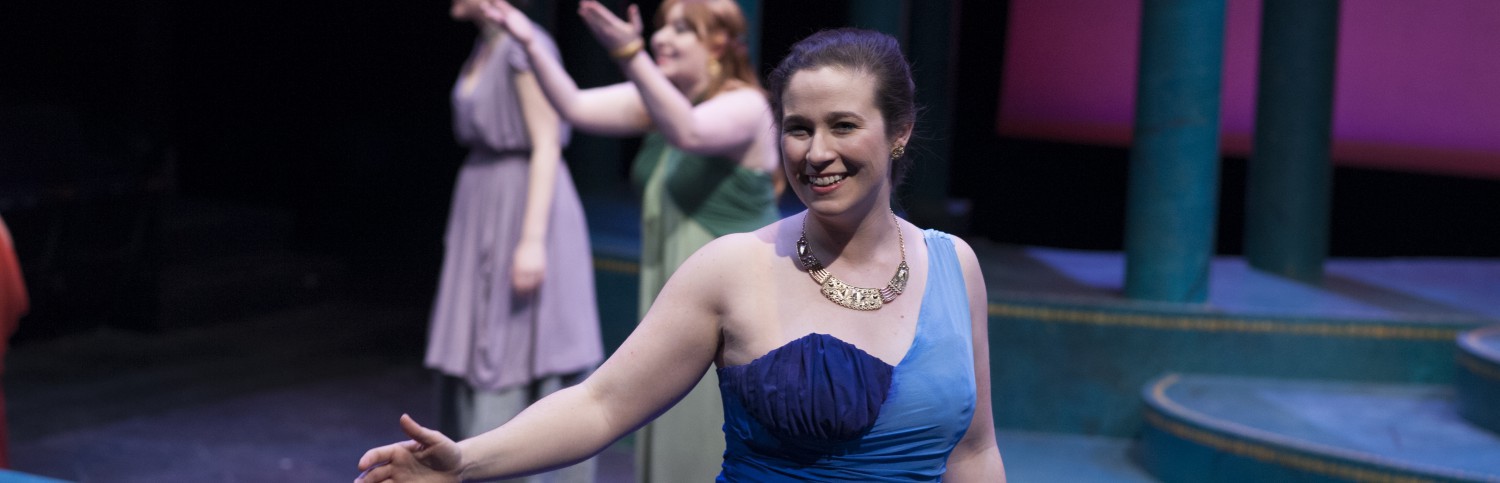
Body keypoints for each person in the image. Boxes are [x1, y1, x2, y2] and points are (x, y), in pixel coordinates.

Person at [356, 28, 1006, 482]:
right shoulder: (733, 268)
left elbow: (973, 452)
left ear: (899, 132)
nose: (816, 153)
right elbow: (602, 403)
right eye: (797, 128)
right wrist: (465, 461)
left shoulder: (955, 267)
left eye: (842, 125)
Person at [478, 1, 781, 481]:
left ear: (718, 43)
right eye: (660, 29)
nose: (661, 39)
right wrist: (531, 42)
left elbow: (689, 131)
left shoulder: (746, 106)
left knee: (709, 431)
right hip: (679, 291)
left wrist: (629, 52)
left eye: (681, 30)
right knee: (666, 422)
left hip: (736, 300)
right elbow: (574, 107)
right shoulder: (660, 102)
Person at [422, 0, 604, 481]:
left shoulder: (525, 47)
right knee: (481, 337)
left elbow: (546, 142)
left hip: (525, 203)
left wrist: (531, 242)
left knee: (519, 343)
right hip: (484, 199)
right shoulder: (486, 45)